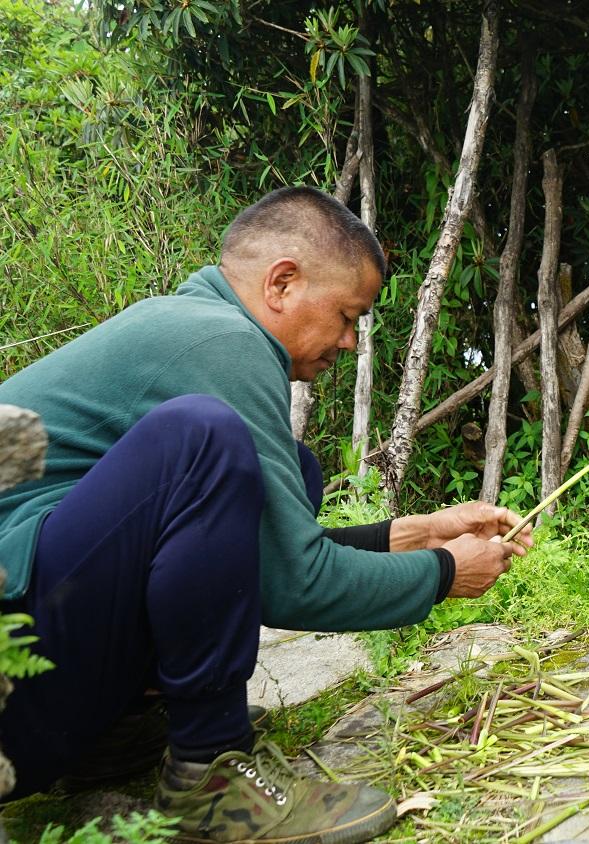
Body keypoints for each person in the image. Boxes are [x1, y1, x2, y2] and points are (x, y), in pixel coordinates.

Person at [0, 187, 533, 843]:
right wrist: (444, 572)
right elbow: (291, 582)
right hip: (12, 686)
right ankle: (210, 776)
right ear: (281, 282)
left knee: (284, 471)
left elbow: (247, 555)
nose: (347, 342)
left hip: (34, 686)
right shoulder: (222, 339)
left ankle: (111, 736)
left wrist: (415, 534)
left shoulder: (187, 325)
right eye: (346, 316)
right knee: (205, 439)